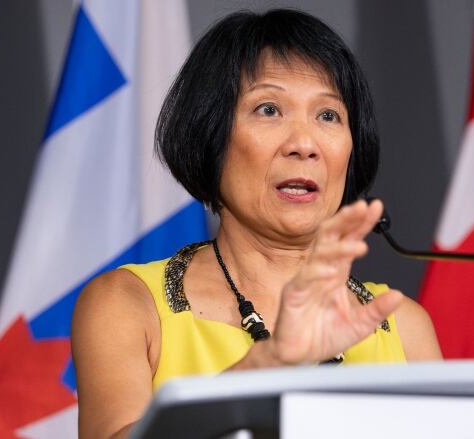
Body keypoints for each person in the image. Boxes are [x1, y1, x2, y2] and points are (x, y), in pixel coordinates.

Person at [71, 9, 442, 439]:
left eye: (328, 116)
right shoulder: (129, 305)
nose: (304, 144)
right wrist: (271, 364)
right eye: (269, 109)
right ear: (211, 136)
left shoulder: (403, 326)